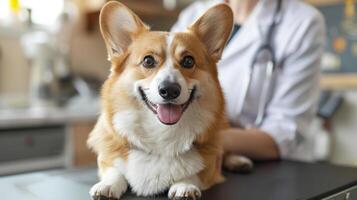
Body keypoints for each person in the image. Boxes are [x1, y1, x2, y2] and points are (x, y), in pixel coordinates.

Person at [171, 0, 326, 161]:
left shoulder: (302, 22)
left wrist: (203, 139)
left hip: (270, 166)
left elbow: (286, 131)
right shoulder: (192, 15)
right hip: (197, 158)